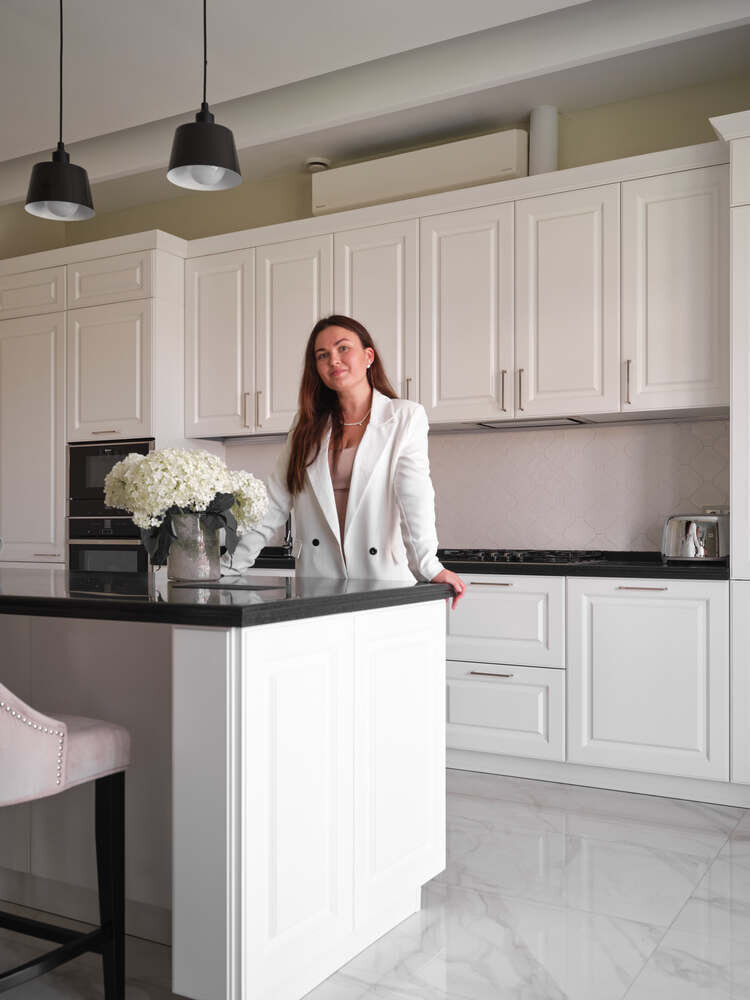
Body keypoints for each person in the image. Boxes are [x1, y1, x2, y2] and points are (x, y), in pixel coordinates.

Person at [221, 314, 466, 607]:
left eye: (343, 348)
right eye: (322, 355)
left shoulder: (404, 416)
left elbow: (414, 496)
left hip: (384, 578)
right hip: (318, 577)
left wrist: (428, 566)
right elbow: (272, 503)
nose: (333, 360)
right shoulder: (306, 425)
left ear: (368, 356)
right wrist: (228, 567)